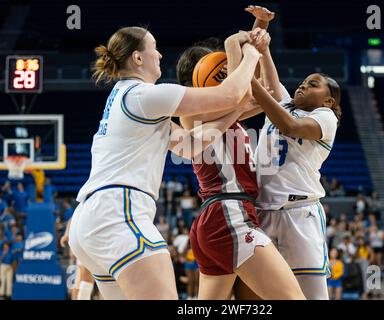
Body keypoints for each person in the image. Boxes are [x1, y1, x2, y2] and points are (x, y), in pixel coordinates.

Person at [68, 26, 261, 300]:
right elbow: (230, 93)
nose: (159, 54)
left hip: (90, 221)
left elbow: (190, 145)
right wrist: (251, 51)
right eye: (153, 47)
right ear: (137, 58)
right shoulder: (145, 95)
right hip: (118, 214)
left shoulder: (127, 99)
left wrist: (238, 111)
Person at [175, 6, 304, 300]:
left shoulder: (227, 114)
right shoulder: (191, 113)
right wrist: (234, 42)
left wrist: (260, 28)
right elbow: (241, 89)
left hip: (222, 218)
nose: (226, 73)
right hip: (228, 215)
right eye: (219, 69)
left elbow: (264, 92)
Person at [251, 25, 341, 297]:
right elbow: (266, 70)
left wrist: (250, 84)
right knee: (263, 296)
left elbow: (289, 125)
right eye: (302, 81)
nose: (302, 84)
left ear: (327, 100)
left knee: (312, 295)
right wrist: (261, 30)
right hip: (262, 212)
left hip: (299, 213)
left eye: (312, 84)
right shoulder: (283, 106)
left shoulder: (326, 117)